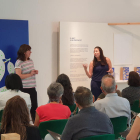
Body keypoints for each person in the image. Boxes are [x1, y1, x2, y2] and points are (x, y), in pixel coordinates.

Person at [15, 44, 38, 122]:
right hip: (24, 88)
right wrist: (30, 74)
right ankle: (23, 125)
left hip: (32, 87)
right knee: (23, 108)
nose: (30, 52)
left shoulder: (31, 61)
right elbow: (18, 76)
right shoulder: (19, 62)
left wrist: (33, 72)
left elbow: (30, 72)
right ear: (24, 52)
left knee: (34, 107)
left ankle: (35, 125)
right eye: (29, 51)